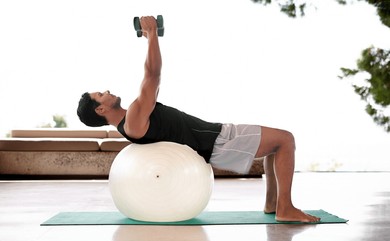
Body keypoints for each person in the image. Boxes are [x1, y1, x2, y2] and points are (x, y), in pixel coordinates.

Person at [77, 16, 320, 223]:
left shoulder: (133, 118)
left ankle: (273, 204)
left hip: (217, 135)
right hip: (217, 142)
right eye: (100, 94)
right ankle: (285, 209)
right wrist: (151, 34)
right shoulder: (132, 120)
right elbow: (153, 75)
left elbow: (153, 82)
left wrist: (151, 37)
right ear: (100, 110)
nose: (106, 91)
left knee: (276, 145)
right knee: (285, 140)